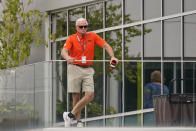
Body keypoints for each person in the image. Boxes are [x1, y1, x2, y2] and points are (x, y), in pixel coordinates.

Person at [61, 18, 118, 127]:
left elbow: (106, 45)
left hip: (88, 68)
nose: (83, 29)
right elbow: (64, 51)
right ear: (76, 28)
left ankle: (69, 115)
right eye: (80, 27)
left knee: (90, 95)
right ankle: (78, 121)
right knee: (76, 96)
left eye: (85, 26)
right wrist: (67, 57)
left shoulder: (92, 36)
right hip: (74, 67)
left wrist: (112, 56)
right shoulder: (71, 38)